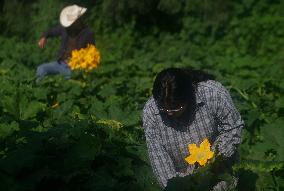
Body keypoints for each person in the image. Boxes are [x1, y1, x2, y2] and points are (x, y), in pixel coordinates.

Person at [142, 68, 244, 190]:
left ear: (189, 96)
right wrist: (177, 185)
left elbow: (233, 128)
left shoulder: (213, 94)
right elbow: (159, 160)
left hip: (219, 169)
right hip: (181, 177)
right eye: (164, 108)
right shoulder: (151, 112)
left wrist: (213, 160)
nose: (169, 113)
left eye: (175, 108)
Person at [36, 4, 95, 83]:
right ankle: (40, 90)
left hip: (74, 68)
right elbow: (52, 31)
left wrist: (81, 64)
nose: (71, 25)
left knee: (67, 82)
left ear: (78, 20)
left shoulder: (88, 33)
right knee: (41, 68)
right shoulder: (65, 29)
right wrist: (44, 37)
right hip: (60, 63)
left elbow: (91, 53)